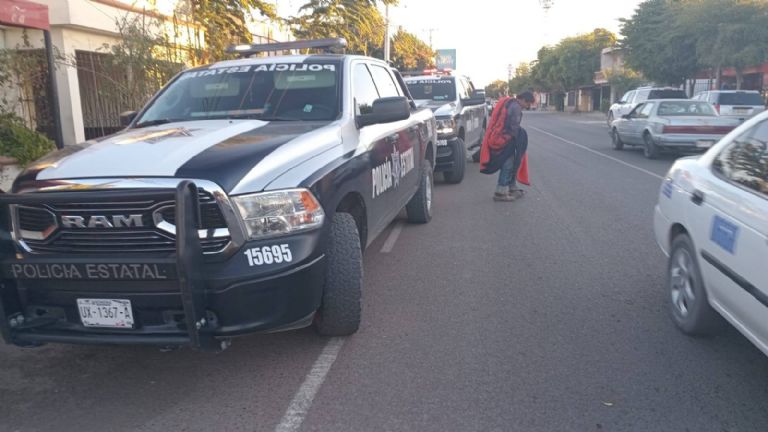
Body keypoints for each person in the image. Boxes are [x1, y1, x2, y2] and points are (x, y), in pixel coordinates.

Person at [494, 91, 534, 202]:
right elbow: (513, 127)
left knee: (509, 163)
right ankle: (501, 192)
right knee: (508, 164)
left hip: (502, 138)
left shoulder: (511, 103)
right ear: (523, 100)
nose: (528, 106)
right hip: (506, 139)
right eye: (528, 103)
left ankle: (510, 187)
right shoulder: (516, 107)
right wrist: (517, 140)